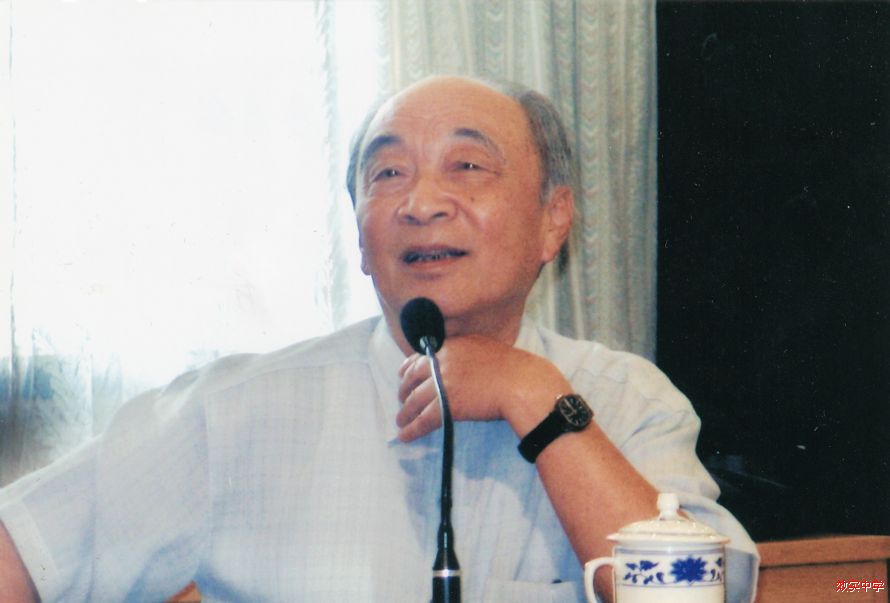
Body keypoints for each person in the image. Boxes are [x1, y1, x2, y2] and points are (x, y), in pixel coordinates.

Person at [0, 75, 758, 602]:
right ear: (360, 239)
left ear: (552, 220)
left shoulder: (626, 402)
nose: (421, 202)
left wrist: (533, 394)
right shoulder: (234, 412)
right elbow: (23, 547)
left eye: (467, 165)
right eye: (387, 174)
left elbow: (696, 598)